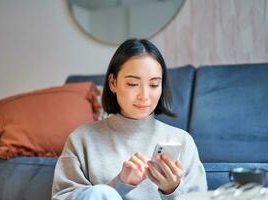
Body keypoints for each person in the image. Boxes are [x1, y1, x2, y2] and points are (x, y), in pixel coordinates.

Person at [52, 38, 207, 200]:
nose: (144, 96)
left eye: (154, 85)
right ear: (113, 83)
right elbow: (61, 197)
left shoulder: (182, 141)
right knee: (101, 193)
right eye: (133, 84)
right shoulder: (82, 139)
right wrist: (120, 183)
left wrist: (172, 190)